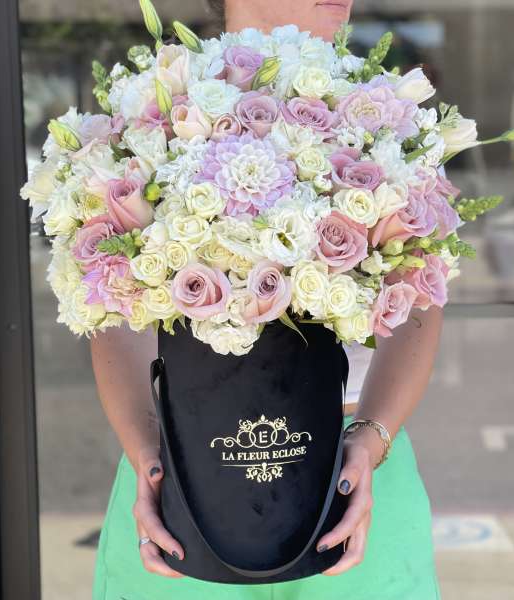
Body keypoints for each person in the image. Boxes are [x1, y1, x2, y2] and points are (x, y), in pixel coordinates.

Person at [91, 1, 443, 598]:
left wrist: (372, 438)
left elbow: (420, 299)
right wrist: (147, 452)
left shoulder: (385, 113)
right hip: (182, 475)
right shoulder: (151, 108)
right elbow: (109, 302)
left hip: (359, 472)